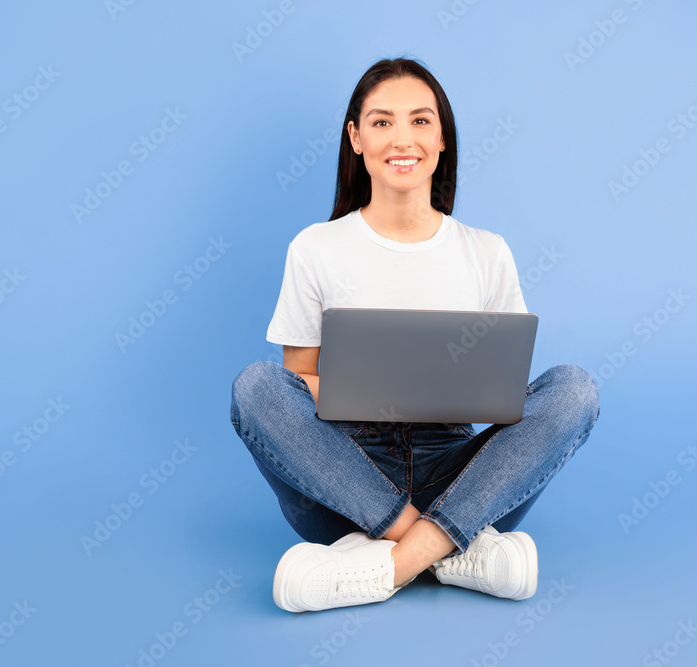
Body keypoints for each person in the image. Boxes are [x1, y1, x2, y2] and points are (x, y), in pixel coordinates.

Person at [230, 56, 600, 613]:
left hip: (458, 474)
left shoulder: (487, 252)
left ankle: (388, 564)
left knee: (575, 388)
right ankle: (449, 550)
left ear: (443, 137)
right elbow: (294, 381)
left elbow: (506, 396)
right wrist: (368, 390)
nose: (402, 137)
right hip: (345, 478)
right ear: (355, 138)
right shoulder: (315, 248)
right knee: (254, 385)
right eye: (381, 122)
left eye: (420, 121)